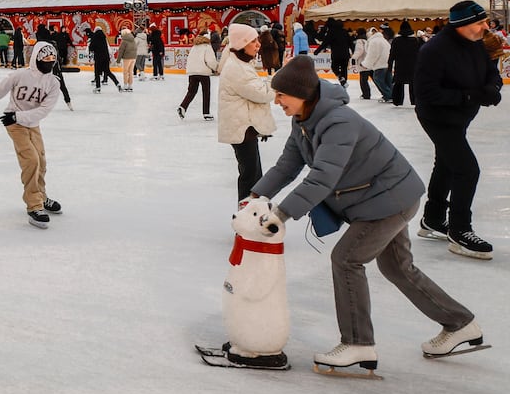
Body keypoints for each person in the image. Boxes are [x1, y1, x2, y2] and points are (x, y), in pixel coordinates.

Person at [251, 56, 482, 374]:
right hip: (378, 199)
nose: (276, 101)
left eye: (281, 95)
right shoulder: (303, 122)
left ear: (302, 93)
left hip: (389, 200)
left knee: (346, 259)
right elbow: (287, 165)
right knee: (399, 269)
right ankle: (460, 323)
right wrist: (254, 195)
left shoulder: (338, 122)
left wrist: (280, 214)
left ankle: (358, 343)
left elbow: (322, 177)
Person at [414, 0, 503, 259]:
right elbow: (426, 93)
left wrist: (491, 89)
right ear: (462, 25)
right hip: (438, 117)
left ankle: (432, 219)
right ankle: (460, 230)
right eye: (480, 23)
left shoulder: (476, 44)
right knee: (467, 169)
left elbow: (491, 73)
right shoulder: (434, 50)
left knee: (446, 164)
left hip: (461, 117)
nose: (486, 27)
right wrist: (468, 96)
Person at [0, 41, 63, 229]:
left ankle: (41, 195)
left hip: (30, 123)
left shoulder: (53, 82)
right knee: (31, 160)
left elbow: (43, 111)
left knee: (41, 161)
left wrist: (19, 115)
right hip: (14, 124)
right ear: (36, 58)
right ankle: (34, 205)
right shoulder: (20, 75)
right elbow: (1, 89)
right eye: (45, 59)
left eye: (52, 59)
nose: (49, 63)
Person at [217, 23, 276, 202]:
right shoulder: (236, 68)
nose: (258, 44)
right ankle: (246, 218)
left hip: (245, 127)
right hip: (241, 128)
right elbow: (262, 94)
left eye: (257, 40)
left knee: (253, 174)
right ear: (242, 44)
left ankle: (252, 215)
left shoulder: (241, 64)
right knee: (250, 176)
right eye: (253, 41)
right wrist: (278, 81)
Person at [178, 32, 218, 120]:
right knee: (206, 92)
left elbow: (190, 59)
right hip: (203, 72)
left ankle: (183, 107)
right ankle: (206, 113)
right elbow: (210, 61)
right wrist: (216, 68)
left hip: (192, 72)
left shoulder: (194, 47)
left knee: (191, 91)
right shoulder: (207, 47)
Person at [387, 21, 422, 107]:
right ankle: (414, 100)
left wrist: (390, 66)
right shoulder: (416, 41)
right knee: (413, 83)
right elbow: (421, 54)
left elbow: (392, 55)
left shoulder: (396, 41)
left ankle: (397, 101)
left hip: (400, 66)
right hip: (413, 66)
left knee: (398, 83)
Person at [360, 26, 392, 102]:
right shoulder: (383, 40)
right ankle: (392, 95)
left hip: (380, 65)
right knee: (388, 81)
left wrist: (365, 64)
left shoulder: (374, 42)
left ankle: (388, 95)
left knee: (378, 79)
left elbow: (372, 55)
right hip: (387, 64)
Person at [88, 27, 120, 93]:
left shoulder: (94, 37)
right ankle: (117, 83)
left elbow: (91, 48)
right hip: (106, 57)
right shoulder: (104, 37)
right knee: (108, 72)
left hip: (98, 58)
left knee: (97, 73)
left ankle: (98, 87)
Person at [351, 29, 373, 99]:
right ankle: (385, 92)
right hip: (369, 62)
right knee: (375, 80)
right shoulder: (368, 40)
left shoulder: (359, 41)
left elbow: (359, 51)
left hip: (362, 63)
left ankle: (366, 94)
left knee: (363, 80)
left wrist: (354, 58)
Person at [117, 26, 137, 91]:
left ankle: (125, 85)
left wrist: (118, 60)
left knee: (125, 72)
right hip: (133, 57)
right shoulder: (133, 39)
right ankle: (130, 85)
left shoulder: (124, 41)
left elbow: (121, 51)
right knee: (130, 72)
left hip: (127, 58)